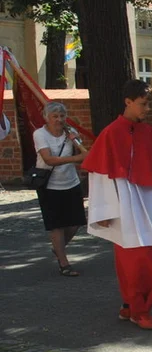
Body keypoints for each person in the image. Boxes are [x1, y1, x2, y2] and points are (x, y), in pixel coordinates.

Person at [83, 80, 152, 330]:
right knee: (132, 260)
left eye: (149, 104)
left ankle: (131, 305)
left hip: (144, 200)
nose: (147, 109)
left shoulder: (146, 133)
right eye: (143, 104)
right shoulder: (111, 133)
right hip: (121, 203)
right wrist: (102, 211)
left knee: (144, 257)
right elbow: (100, 175)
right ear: (128, 102)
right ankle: (139, 310)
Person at [33, 101, 87, 276]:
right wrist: (75, 158)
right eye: (55, 116)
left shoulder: (69, 133)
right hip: (49, 185)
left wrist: (76, 141)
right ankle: (64, 263)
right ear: (47, 118)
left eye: (62, 116)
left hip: (70, 182)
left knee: (76, 222)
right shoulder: (40, 134)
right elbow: (49, 159)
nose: (59, 120)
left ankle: (58, 249)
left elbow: (82, 156)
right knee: (57, 225)